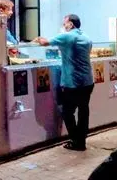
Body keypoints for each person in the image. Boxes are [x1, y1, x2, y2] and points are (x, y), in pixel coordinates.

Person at [34, 14, 94, 151]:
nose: (63, 26)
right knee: (84, 111)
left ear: (71, 24)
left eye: (65, 23)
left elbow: (44, 43)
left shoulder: (67, 36)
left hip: (72, 82)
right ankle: (82, 140)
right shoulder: (87, 38)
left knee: (68, 112)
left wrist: (36, 39)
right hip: (87, 81)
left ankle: (76, 140)